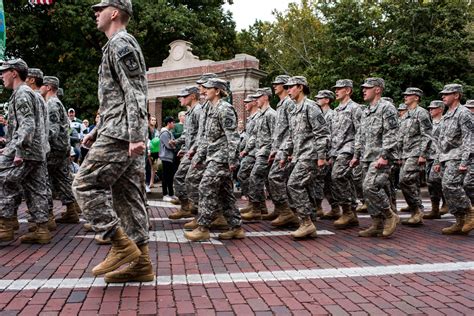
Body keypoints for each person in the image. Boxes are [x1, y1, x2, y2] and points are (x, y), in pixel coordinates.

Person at [72, 0, 153, 283]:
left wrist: (135, 136)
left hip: (121, 134)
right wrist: (96, 129)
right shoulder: (115, 45)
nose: (95, 13)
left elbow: (135, 92)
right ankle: (141, 264)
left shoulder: (121, 44)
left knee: (83, 183)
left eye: (100, 8)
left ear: (114, 12)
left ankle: (119, 244)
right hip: (117, 129)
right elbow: (115, 97)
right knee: (128, 198)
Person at [184, 78, 245, 241]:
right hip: (212, 156)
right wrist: (199, 157)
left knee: (205, 187)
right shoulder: (210, 109)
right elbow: (206, 137)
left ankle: (203, 227)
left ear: (217, 91)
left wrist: (233, 160)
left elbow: (233, 137)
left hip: (222, 158)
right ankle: (236, 227)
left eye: (208, 88)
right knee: (225, 194)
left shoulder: (224, 109)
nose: (203, 91)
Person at [0, 59, 50, 243]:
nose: (1, 76)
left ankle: (5, 226)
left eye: (4, 72)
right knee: (36, 188)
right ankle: (41, 230)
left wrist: (18, 150)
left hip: (26, 149)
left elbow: (27, 124)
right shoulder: (29, 93)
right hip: (36, 149)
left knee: (4, 179)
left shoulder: (21, 93)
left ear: (14, 73)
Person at [280, 76, 330, 239]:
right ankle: (309, 222)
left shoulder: (311, 107)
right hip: (299, 155)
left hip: (310, 155)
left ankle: (307, 223)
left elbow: (322, 134)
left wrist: (321, 156)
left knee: (294, 185)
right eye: (286, 87)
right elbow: (292, 135)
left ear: (300, 87)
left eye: (291, 87)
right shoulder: (294, 109)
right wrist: (285, 153)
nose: (288, 90)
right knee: (305, 188)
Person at [351, 78, 400, 238]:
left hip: (380, 157)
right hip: (366, 157)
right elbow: (360, 135)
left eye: (368, 88)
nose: (364, 90)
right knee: (367, 191)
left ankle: (390, 215)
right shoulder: (366, 110)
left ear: (377, 90)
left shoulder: (387, 108)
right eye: (363, 88)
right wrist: (356, 155)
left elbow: (392, 133)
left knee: (370, 187)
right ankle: (377, 224)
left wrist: (385, 156)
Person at [40, 76, 81, 225]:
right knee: (63, 180)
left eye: (42, 85)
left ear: (49, 87)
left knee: (43, 180)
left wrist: (40, 143)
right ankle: (71, 210)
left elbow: (52, 130)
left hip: (54, 149)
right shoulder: (57, 103)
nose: (40, 87)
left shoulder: (51, 103)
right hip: (61, 148)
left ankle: (47, 217)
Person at [434, 84, 473, 235]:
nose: (443, 96)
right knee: (446, 188)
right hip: (446, 157)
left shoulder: (464, 113)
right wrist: (438, 161)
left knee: (451, 185)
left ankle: (469, 211)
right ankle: (459, 220)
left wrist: (465, 161)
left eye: (447, 94)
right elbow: (441, 140)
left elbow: (469, 138)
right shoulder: (447, 115)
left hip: (457, 156)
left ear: (456, 95)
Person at [329, 79, 362, 229]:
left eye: (340, 88)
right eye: (336, 88)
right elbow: (333, 134)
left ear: (348, 90)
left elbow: (360, 132)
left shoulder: (355, 108)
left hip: (348, 149)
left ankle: (348, 211)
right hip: (337, 150)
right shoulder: (336, 111)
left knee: (338, 176)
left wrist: (357, 153)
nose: (336, 91)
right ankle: (351, 213)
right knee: (344, 179)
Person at [266, 75, 299, 227]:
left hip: (287, 148)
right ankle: (283, 210)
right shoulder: (281, 104)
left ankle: (288, 212)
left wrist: (290, 149)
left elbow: (294, 128)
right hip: (279, 147)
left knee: (276, 177)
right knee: (278, 179)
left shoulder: (289, 103)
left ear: (285, 86)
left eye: (277, 84)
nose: (274, 86)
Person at [398, 87, 432, 226]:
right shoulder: (406, 115)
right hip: (406, 153)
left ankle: (417, 210)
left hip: (416, 152)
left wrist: (423, 154)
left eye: (408, 95)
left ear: (416, 97)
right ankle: (415, 212)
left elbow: (427, 135)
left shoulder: (421, 113)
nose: (405, 97)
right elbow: (400, 137)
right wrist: (399, 154)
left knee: (404, 180)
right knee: (409, 182)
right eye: (405, 95)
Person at [241, 88, 276, 221]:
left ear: (266, 97)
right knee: (260, 179)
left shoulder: (271, 114)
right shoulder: (262, 115)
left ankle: (257, 209)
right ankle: (260, 207)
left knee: (256, 177)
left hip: (266, 151)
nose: (256, 100)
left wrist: (274, 152)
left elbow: (275, 135)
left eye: (258, 97)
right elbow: (254, 136)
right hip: (259, 151)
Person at [168, 86, 202, 219]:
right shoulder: (189, 113)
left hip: (197, 151)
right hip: (190, 151)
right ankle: (187, 206)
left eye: (183, 96)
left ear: (192, 96)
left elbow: (201, 134)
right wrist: (179, 145)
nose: (180, 99)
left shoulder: (198, 111)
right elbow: (188, 134)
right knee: (183, 178)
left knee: (187, 179)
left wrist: (193, 149)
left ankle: (193, 209)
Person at [315, 89, 341, 220]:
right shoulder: (319, 114)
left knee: (323, 181)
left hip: (328, 153)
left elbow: (333, 135)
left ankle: (320, 207)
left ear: (327, 100)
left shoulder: (331, 115)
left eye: (320, 98)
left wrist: (330, 155)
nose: (317, 100)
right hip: (321, 152)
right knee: (324, 182)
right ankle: (333, 207)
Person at [423, 100, 448, 219]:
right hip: (429, 156)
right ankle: (435, 209)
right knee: (430, 183)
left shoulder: (445, 122)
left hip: (440, 157)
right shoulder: (429, 123)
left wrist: (439, 159)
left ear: (440, 109)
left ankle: (446, 202)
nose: (430, 110)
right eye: (429, 108)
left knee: (437, 180)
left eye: (433, 108)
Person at [237, 94, 259, 203]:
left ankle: (254, 202)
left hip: (255, 152)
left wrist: (245, 150)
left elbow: (255, 137)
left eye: (248, 102)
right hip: (249, 152)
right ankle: (255, 204)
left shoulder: (258, 117)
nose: (245, 104)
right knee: (249, 177)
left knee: (243, 175)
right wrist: (240, 149)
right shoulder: (250, 118)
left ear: (254, 102)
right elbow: (247, 137)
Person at [159, 116, 177, 201]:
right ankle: (165, 194)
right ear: (169, 123)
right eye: (173, 122)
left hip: (169, 157)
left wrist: (173, 144)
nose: (174, 124)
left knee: (170, 176)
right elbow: (169, 145)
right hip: (166, 157)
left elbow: (173, 142)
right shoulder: (165, 133)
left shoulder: (169, 132)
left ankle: (171, 193)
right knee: (166, 176)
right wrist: (174, 146)